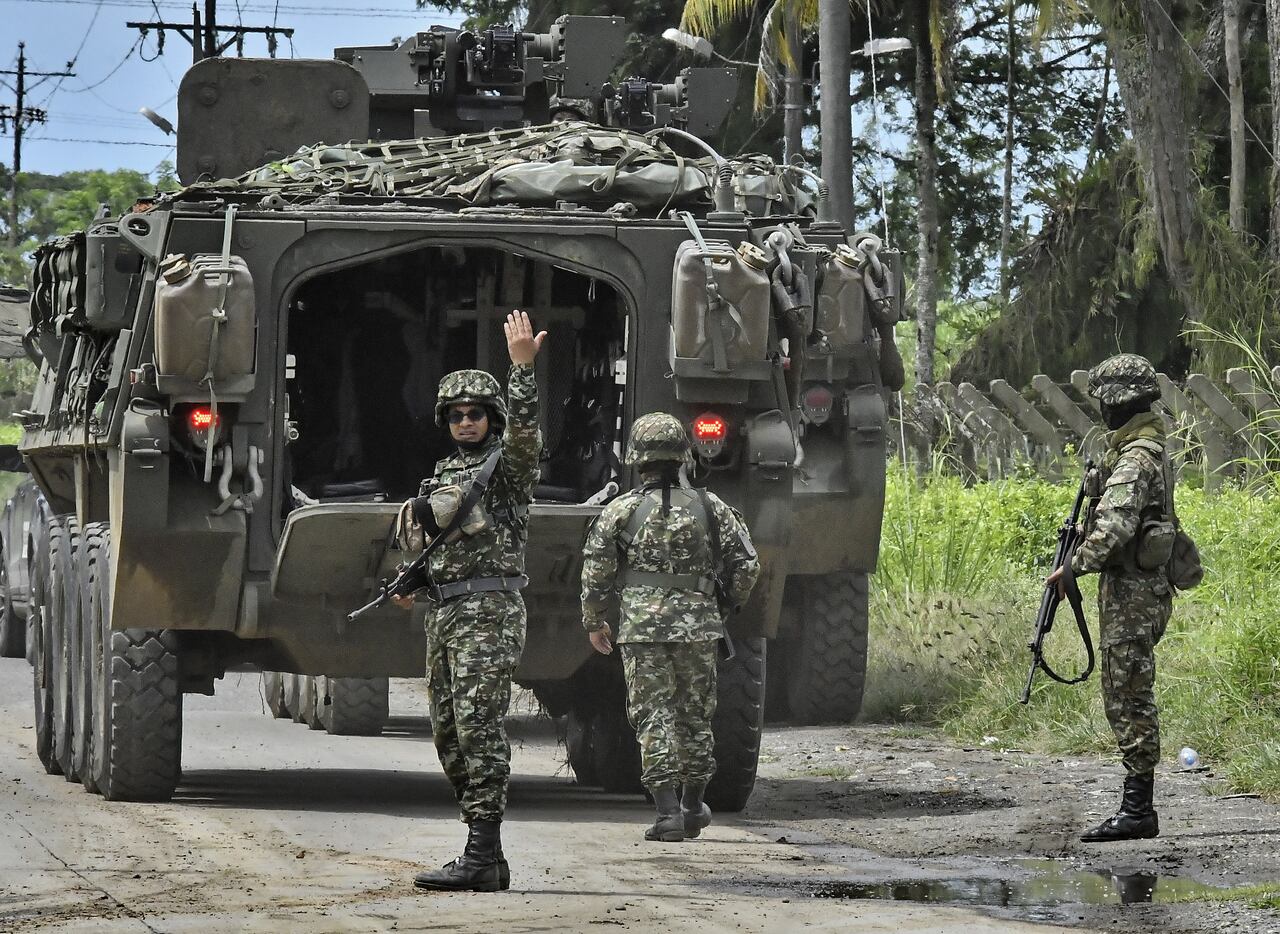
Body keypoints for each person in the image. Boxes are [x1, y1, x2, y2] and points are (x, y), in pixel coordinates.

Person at [397, 309, 545, 892]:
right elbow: (440, 541)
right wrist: (415, 582)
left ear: (492, 419)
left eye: (476, 413)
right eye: (456, 415)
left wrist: (522, 370)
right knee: (448, 731)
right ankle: (487, 854)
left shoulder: (505, 469)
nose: (466, 421)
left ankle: (481, 854)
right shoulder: (443, 472)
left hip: (489, 612)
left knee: (480, 726)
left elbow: (528, 435)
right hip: (447, 612)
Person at [580, 413, 760, 842]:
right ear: (682, 455)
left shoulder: (620, 510)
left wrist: (594, 620)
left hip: (641, 630)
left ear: (637, 458)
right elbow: (747, 565)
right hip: (699, 628)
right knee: (696, 715)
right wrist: (728, 602)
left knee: (652, 714)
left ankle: (666, 815)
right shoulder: (710, 507)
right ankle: (694, 806)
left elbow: (596, 572)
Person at [1046, 353, 1173, 843]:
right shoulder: (1137, 448)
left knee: (1129, 694)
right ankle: (1137, 806)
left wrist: (1073, 566)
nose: (1102, 411)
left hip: (1134, 593)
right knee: (1125, 690)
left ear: (1120, 402)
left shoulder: (1137, 456)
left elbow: (1116, 526)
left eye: (1105, 402)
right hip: (1133, 589)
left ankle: (1138, 810)